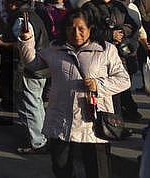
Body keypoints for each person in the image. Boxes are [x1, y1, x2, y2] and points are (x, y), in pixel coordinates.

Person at [18, 10, 130, 178]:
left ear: (90, 29)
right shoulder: (55, 49)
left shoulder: (105, 50)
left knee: (98, 172)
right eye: (71, 29)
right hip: (61, 123)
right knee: (61, 169)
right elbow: (33, 64)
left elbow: (123, 80)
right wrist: (27, 40)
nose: (76, 33)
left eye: (81, 28)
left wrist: (98, 85)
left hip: (93, 126)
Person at [0, 0, 50, 155]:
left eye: (7, 1)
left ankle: (37, 142)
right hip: (40, 67)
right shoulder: (32, 15)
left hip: (27, 68)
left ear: (13, 3)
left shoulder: (21, 19)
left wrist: (3, 44)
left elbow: (24, 44)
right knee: (36, 104)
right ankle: (42, 138)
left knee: (29, 105)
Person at [81, 0, 141, 120]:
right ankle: (110, 123)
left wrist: (121, 32)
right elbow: (85, 31)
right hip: (99, 55)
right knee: (106, 93)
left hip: (120, 54)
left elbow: (132, 25)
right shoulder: (88, 8)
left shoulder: (119, 6)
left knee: (121, 87)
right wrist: (109, 34)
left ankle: (122, 119)